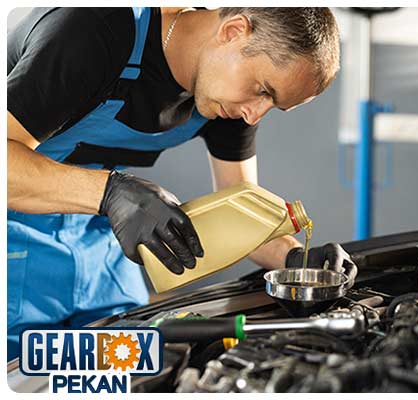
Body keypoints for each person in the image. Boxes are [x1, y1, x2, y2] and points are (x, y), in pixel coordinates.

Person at [6, 7, 357, 360]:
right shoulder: (92, 30)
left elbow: (241, 209)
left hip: (101, 253)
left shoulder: (228, 96)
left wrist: (295, 259)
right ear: (234, 31)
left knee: (133, 368)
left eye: (272, 105)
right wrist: (110, 192)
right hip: (13, 248)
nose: (254, 115)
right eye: (263, 90)